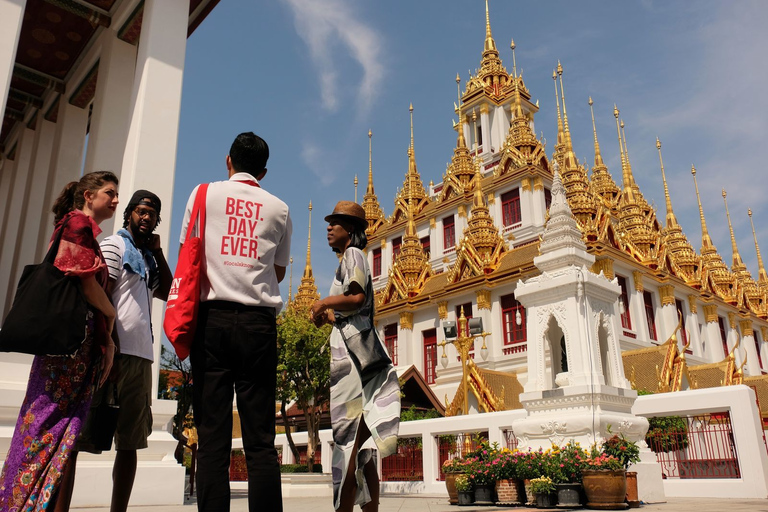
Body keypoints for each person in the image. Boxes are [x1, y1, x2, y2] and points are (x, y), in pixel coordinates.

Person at [179, 132, 292, 512]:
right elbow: (276, 270)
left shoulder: (202, 194)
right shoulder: (279, 208)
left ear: (228, 161)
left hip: (212, 320)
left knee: (213, 438)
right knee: (260, 438)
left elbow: (188, 253)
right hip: (259, 325)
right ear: (263, 171)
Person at [0, 171, 119, 512]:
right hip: (69, 350)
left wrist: (107, 339)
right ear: (88, 196)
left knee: (50, 426)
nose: (114, 199)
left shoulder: (82, 231)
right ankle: (19, 503)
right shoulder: (77, 225)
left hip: (76, 348)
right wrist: (109, 315)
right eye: (109, 192)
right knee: (45, 426)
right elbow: (81, 279)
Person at [75, 189, 172, 512]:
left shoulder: (146, 257)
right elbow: (101, 295)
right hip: (113, 353)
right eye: (141, 212)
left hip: (142, 357)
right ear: (129, 213)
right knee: (83, 437)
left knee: (130, 443)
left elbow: (169, 291)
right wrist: (108, 346)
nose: (146, 218)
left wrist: (158, 254)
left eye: (152, 214)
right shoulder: (115, 247)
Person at [310, 201, 400, 512]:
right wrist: (331, 315)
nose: (329, 228)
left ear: (350, 229)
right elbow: (353, 311)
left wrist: (324, 303)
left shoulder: (353, 254)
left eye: (335, 222)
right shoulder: (349, 259)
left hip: (353, 367)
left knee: (346, 447)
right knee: (360, 450)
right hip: (353, 359)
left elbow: (357, 297)